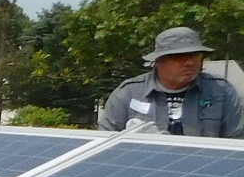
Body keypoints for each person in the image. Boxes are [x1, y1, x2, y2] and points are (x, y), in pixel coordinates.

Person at [99, 26, 244, 137]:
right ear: (159, 61)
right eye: (180, 57)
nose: (189, 63)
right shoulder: (129, 93)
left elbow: (236, 143)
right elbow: (104, 141)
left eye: (196, 55)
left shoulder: (221, 91)